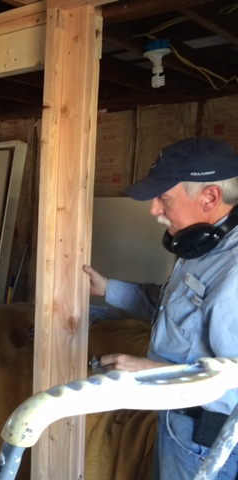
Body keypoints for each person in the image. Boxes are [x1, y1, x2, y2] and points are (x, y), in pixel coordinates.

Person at [83, 137, 238, 480]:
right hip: (176, 422)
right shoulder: (201, 246)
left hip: (209, 448)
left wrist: (154, 372)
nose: (154, 209)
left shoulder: (235, 270)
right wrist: (107, 288)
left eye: (163, 198)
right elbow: (174, 309)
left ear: (210, 197)